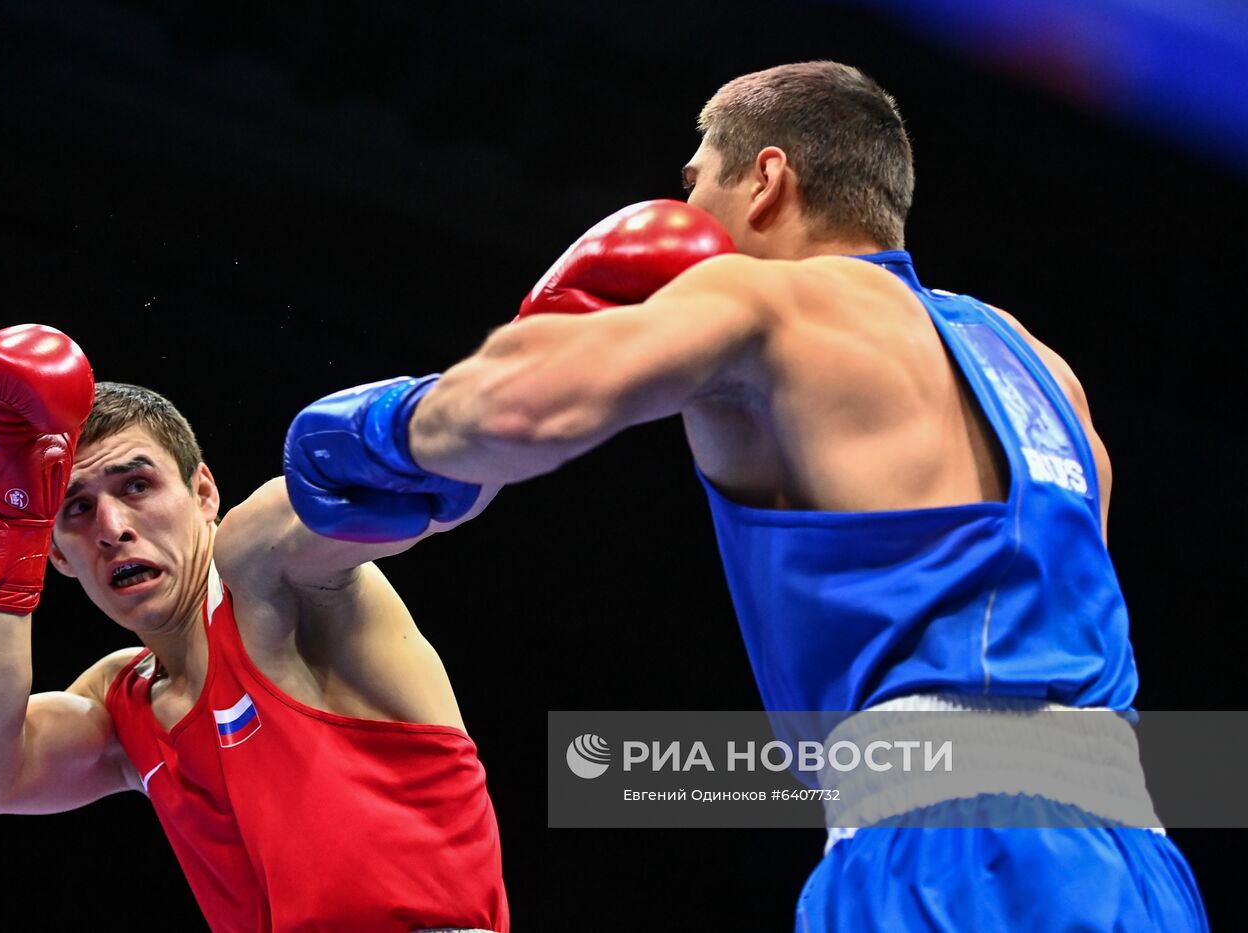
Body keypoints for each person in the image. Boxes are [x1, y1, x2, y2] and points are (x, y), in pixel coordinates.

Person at [286, 62, 1208, 930]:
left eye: (697, 181)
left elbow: (518, 410)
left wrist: (376, 430)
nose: (690, 208)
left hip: (945, 845)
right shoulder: (1042, 367)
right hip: (1137, 853)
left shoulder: (766, 301)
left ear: (765, 178)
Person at [0, 324, 509, 933]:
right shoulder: (121, 702)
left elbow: (381, 502)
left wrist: (479, 412)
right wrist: (7, 536)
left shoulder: (266, 581)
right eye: (77, 508)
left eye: (137, 485)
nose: (112, 527)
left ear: (203, 492)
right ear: (56, 557)